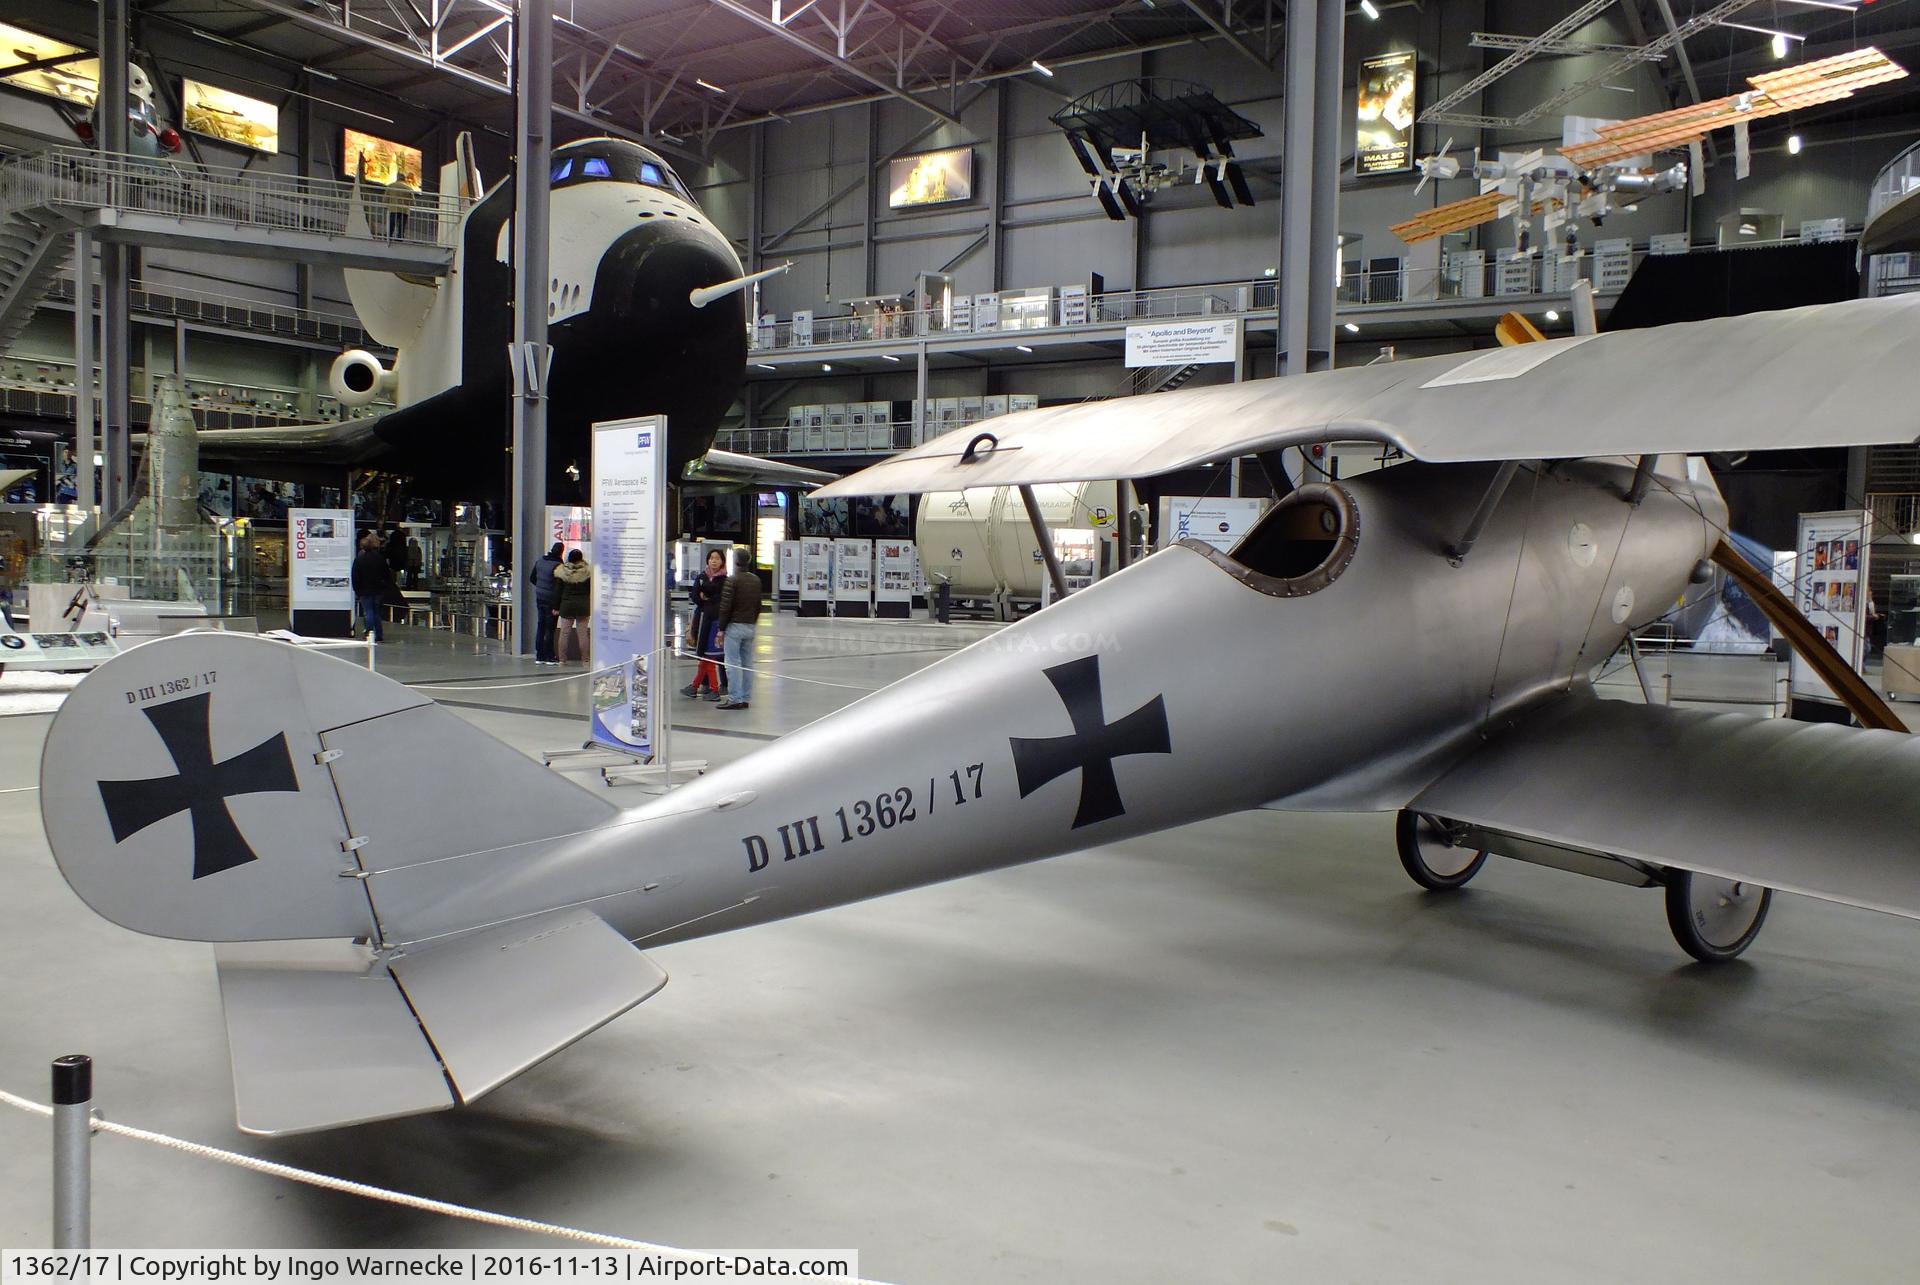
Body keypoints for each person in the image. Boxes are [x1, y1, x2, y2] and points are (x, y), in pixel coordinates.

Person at [714, 546, 763, 711]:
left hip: (734, 627)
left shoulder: (732, 580)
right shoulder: (756, 580)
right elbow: (758, 606)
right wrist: (752, 622)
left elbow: (725, 607)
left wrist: (721, 629)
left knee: (732, 663)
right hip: (750, 626)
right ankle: (745, 698)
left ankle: (735, 698)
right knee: (747, 663)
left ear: (735, 562)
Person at [681, 549, 729, 700]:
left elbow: (719, 598)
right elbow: (695, 596)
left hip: (716, 621)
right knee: (704, 654)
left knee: (710, 655)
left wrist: (706, 593)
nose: (714, 561)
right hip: (702, 620)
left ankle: (714, 688)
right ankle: (698, 686)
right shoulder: (701, 577)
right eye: (711, 558)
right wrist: (705, 597)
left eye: (717, 558)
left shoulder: (724, 580)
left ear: (722, 561)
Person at [350, 530, 392, 643]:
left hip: (364, 590)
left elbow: (355, 576)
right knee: (376, 612)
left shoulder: (359, 559)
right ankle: (379, 634)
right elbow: (387, 574)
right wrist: (384, 586)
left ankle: (369, 632)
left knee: (368, 612)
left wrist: (357, 590)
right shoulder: (380, 558)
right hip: (378, 590)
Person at [553, 548, 592, 664]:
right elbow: (591, 590)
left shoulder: (562, 572)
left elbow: (558, 591)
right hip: (583, 605)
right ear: (581, 558)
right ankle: (585, 659)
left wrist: (556, 607)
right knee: (583, 634)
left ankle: (562, 659)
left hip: (567, 605)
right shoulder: (588, 572)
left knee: (564, 633)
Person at [528, 541, 563, 664]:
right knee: (550, 628)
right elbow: (559, 586)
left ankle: (539, 655)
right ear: (561, 552)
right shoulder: (558, 565)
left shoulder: (540, 561)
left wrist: (540, 587)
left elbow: (532, 578)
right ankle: (549, 656)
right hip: (551, 600)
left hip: (540, 598)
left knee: (541, 626)